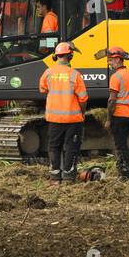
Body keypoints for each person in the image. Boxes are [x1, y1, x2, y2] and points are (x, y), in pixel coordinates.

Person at [40, 41, 87, 184]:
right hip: (73, 119)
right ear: (70, 56)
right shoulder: (75, 75)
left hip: (54, 119)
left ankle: (55, 177)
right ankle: (68, 177)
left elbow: (43, 90)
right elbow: (83, 98)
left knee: (54, 147)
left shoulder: (48, 73)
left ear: (56, 56)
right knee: (71, 148)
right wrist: (82, 113)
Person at [104, 46, 129, 180]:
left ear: (118, 59)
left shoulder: (116, 77)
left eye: (111, 60)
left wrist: (108, 119)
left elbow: (112, 101)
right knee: (123, 143)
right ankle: (125, 171)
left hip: (119, 115)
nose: (109, 63)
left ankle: (125, 173)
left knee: (120, 145)